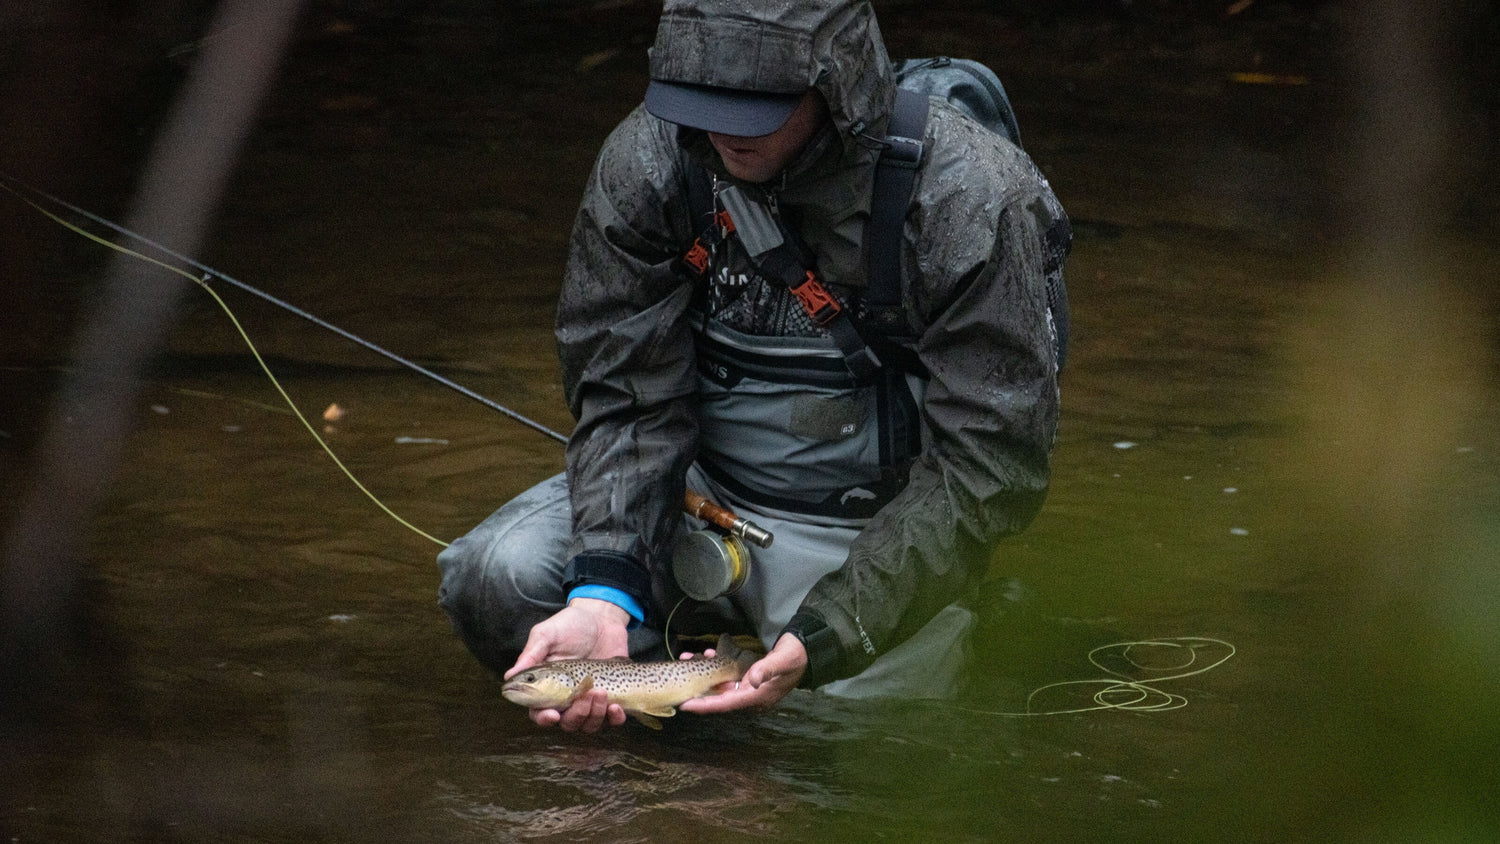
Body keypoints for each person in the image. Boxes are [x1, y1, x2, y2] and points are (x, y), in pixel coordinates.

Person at [437, 0, 1070, 733]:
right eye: (703, 106)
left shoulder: (970, 198)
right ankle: (671, 726)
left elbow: (989, 466)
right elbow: (626, 397)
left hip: (873, 532)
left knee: (851, 754)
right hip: (696, 494)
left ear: (839, 88)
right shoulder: (652, 163)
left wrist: (830, 632)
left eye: (756, 110)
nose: (724, 132)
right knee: (494, 579)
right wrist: (603, 593)